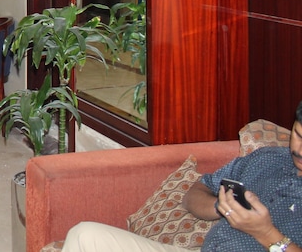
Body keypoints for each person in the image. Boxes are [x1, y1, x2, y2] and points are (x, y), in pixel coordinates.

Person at [63, 101, 302, 252]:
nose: (299, 150)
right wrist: (224, 207)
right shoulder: (267, 158)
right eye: (298, 135)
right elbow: (193, 195)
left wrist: (265, 233)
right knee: (85, 235)